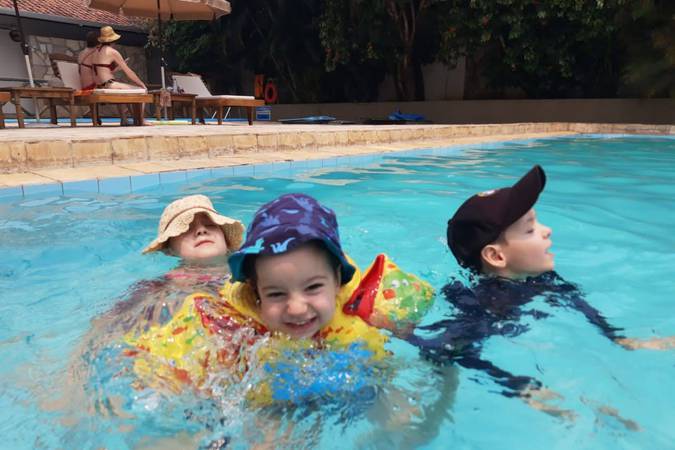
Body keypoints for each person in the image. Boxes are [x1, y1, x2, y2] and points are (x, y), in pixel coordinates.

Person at [409, 165, 675, 419]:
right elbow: (444, 352)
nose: (547, 231)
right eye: (530, 229)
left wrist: (618, 338)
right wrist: (517, 386)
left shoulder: (541, 277)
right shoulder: (485, 304)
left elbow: (575, 300)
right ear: (496, 256)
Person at [123, 193, 435, 404]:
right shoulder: (220, 315)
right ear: (255, 293)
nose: (297, 308)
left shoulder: (355, 307)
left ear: (338, 280)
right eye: (276, 293)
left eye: (313, 287)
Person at [91, 25, 147, 125]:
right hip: (108, 85)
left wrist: (117, 69)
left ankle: (124, 119)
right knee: (142, 91)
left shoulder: (95, 51)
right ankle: (141, 120)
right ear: (113, 40)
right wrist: (141, 84)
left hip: (99, 85)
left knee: (121, 86)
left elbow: (102, 71)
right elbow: (129, 72)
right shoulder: (113, 52)